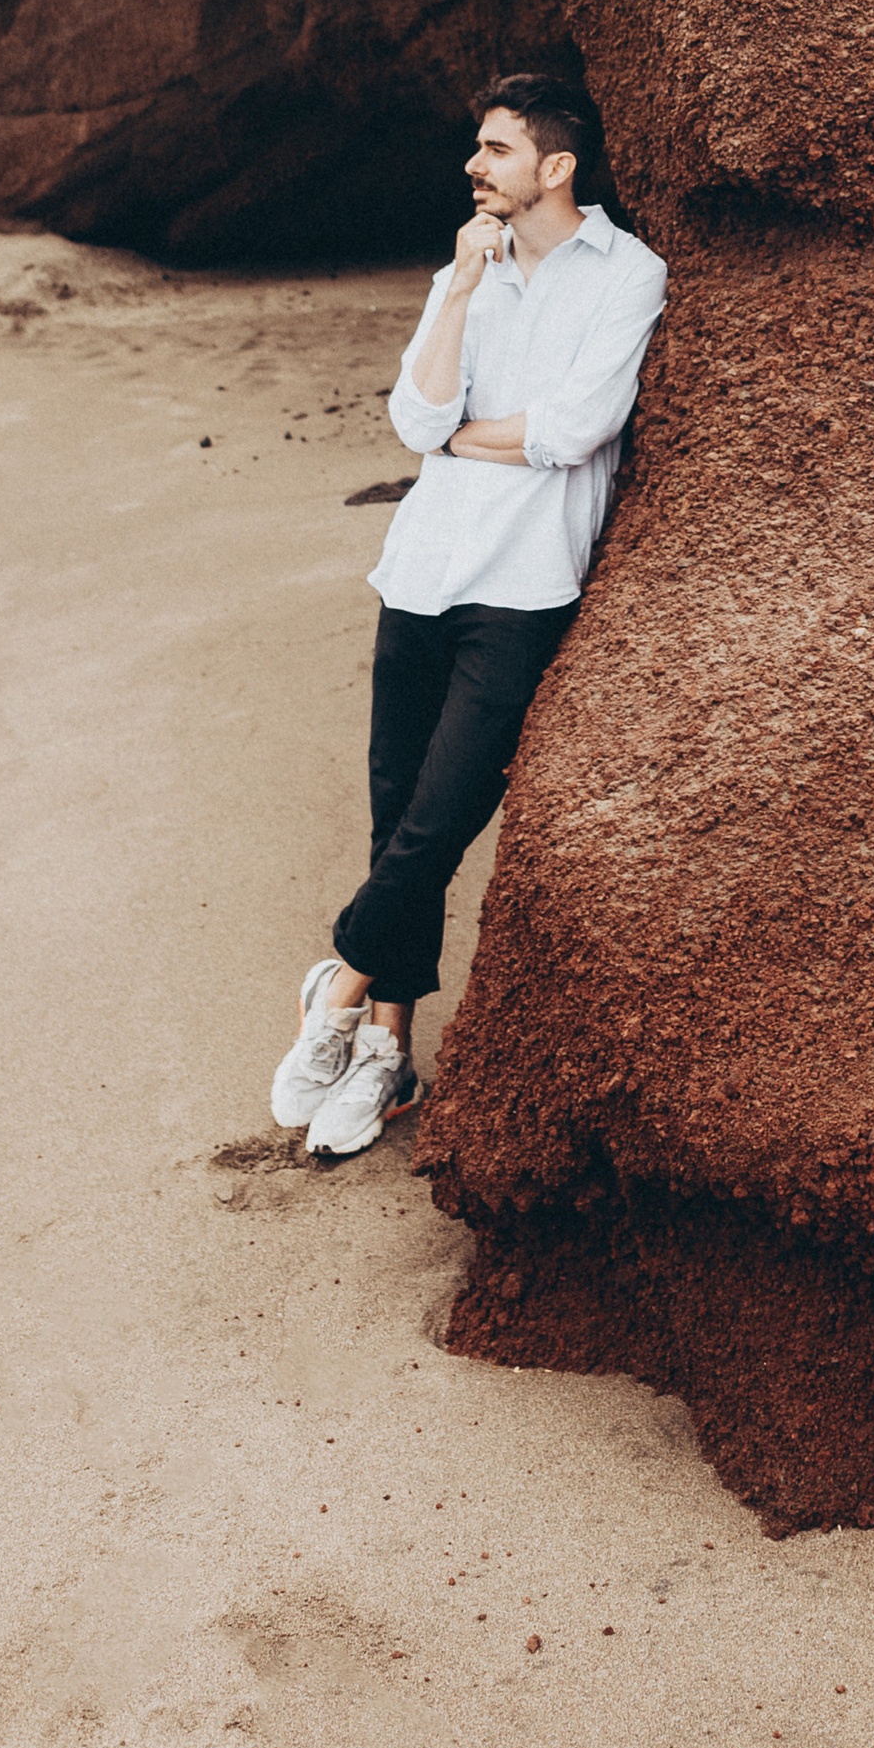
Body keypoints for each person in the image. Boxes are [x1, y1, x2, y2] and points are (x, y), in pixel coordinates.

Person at [272, 73, 666, 1157]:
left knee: (441, 820)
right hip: (420, 571)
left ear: (556, 166)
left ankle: (338, 987)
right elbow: (415, 417)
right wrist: (456, 291)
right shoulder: (469, 269)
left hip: (524, 584)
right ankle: (387, 1051)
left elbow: (575, 431)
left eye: (495, 149)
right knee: (396, 817)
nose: (473, 165)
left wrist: (459, 437)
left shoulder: (629, 274)